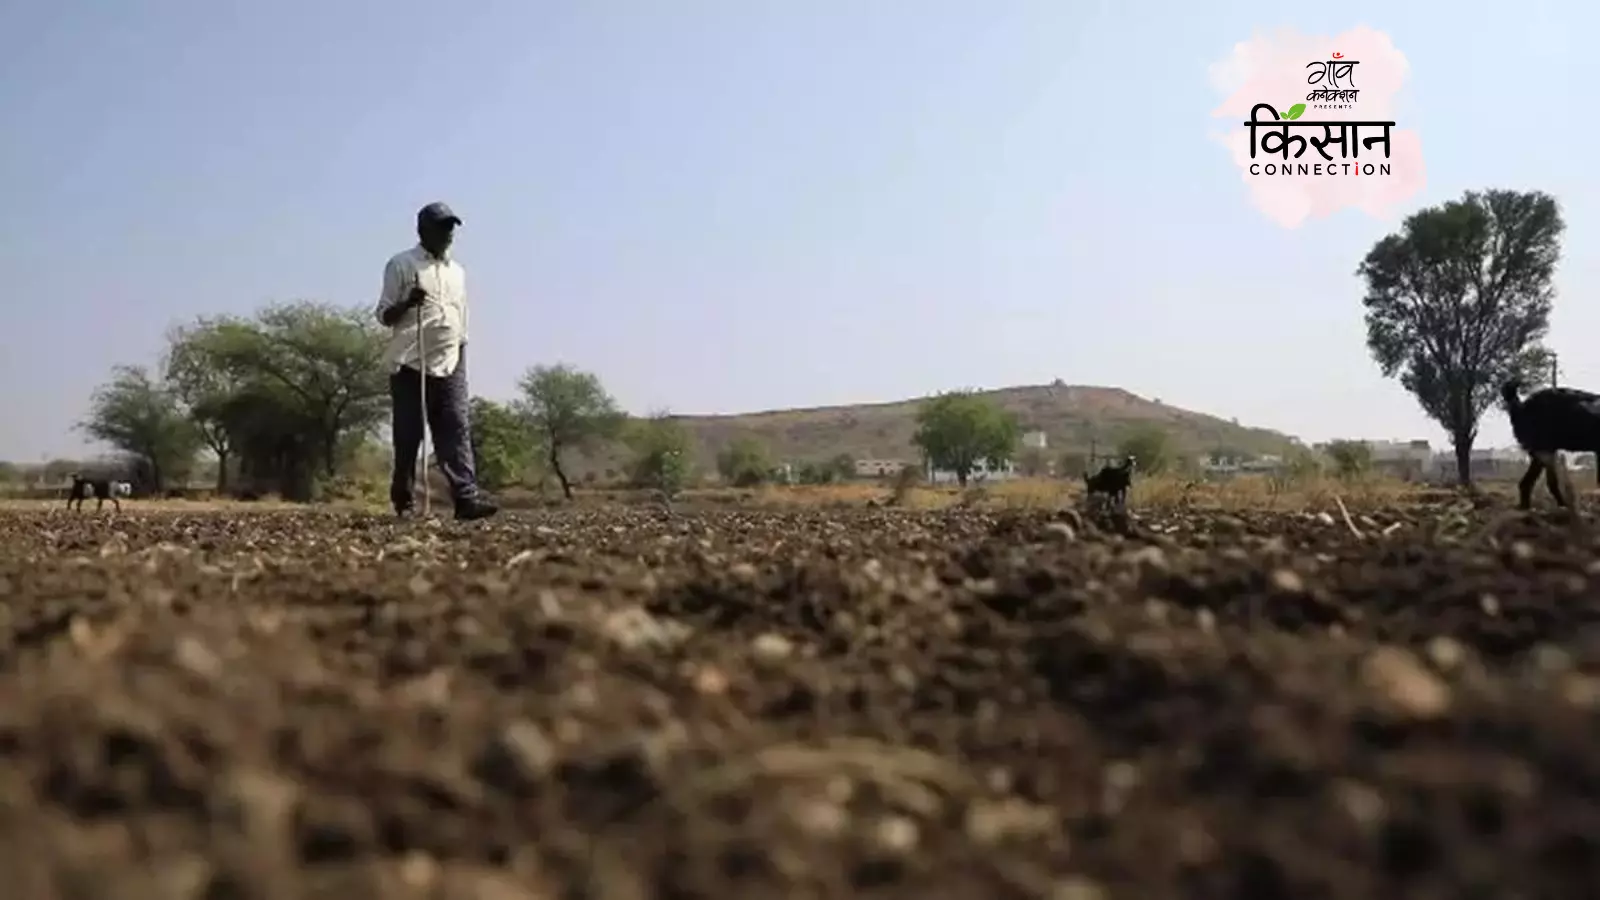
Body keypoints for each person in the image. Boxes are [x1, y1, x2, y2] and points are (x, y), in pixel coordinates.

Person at [375, 201, 498, 521]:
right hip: (410, 361)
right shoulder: (401, 264)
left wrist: (462, 346)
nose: (448, 234)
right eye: (441, 227)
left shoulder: (458, 272)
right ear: (422, 230)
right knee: (409, 433)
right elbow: (385, 315)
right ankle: (404, 501)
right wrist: (407, 302)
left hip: (452, 357)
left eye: (451, 228)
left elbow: (462, 314)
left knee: (456, 426)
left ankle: (466, 498)